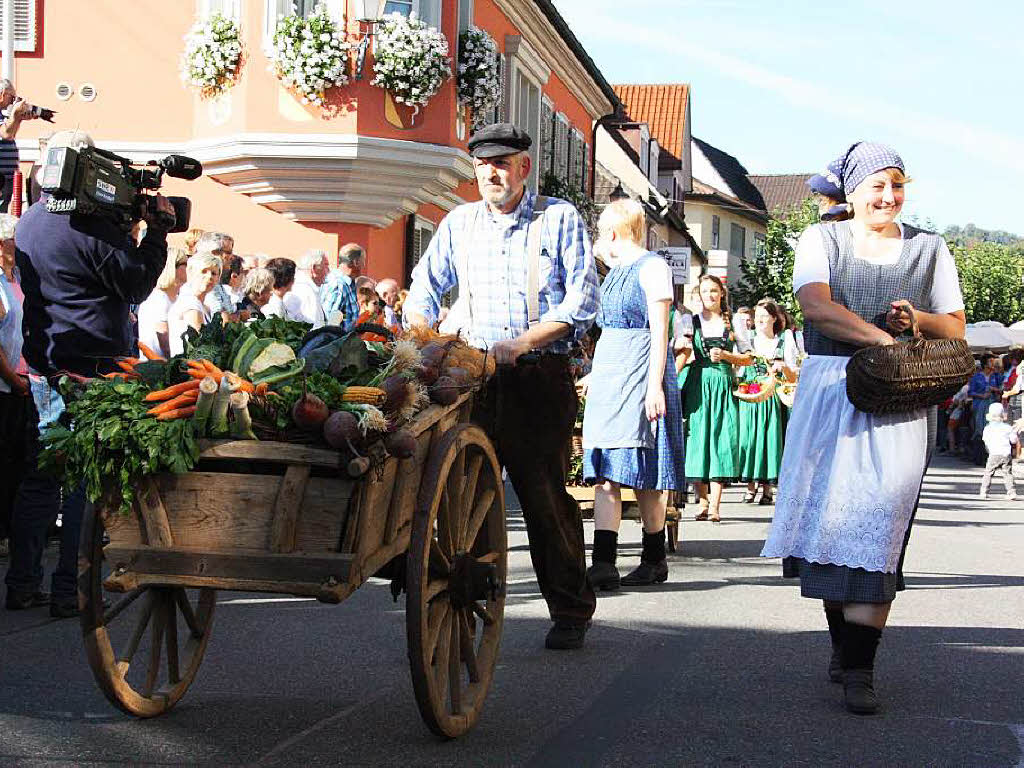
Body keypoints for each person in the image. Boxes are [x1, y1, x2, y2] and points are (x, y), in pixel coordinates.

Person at [761, 142, 966, 715]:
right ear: (851, 193)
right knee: (830, 526)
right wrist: (885, 343)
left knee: (878, 526)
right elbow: (817, 309)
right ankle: (844, 644)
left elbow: (953, 326)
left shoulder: (930, 248)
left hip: (901, 405)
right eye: (876, 185)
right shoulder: (819, 239)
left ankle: (859, 668)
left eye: (896, 184)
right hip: (832, 391)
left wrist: (915, 321)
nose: (887, 196)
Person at [405, 123, 600, 650]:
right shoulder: (458, 223)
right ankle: (466, 578)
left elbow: (581, 302)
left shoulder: (557, 219)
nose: (493, 172)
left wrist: (522, 342)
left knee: (542, 495)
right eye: (484, 164)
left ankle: (570, 608)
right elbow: (424, 289)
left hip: (537, 377)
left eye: (504, 162)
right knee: (461, 489)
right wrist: (420, 337)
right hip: (469, 378)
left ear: (523, 168)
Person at [7, 129, 173, 617]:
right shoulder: (89, 228)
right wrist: (155, 233)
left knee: (40, 479)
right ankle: (70, 592)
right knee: (84, 482)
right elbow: (137, 284)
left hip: (44, 366)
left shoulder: (30, 223)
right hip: (95, 369)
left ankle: (21, 584)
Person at [580, 199, 685, 590]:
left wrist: (654, 385)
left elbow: (661, 330)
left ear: (611, 232)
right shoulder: (616, 269)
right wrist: (596, 372)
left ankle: (654, 558)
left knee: (644, 473)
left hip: (641, 370)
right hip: (611, 373)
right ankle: (603, 562)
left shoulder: (652, 266)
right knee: (605, 470)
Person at [678, 274, 751, 522]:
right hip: (699, 383)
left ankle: (715, 506)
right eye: (705, 291)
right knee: (698, 438)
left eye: (713, 291)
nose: (709, 296)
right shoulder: (691, 320)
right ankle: (702, 501)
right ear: (699, 295)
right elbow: (683, 349)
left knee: (721, 438)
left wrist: (727, 357)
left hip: (722, 383)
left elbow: (749, 358)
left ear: (722, 293)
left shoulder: (735, 323)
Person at [738, 299, 798, 505]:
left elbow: (793, 373)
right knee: (751, 439)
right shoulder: (748, 340)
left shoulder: (785, 339)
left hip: (773, 396)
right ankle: (750, 485)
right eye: (757, 316)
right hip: (752, 396)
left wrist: (783, 367)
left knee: (770, 441)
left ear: (774, 318)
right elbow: (739, 367)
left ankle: (767, 488)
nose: (760, 320)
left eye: (764, 316)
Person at [0, 213, 27, 560]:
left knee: (17, 462)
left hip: (21, 383)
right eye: (15, 242)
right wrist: (12, 379)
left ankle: (10, 526)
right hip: (6, 386)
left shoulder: (17, 280)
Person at [0, 79, 44, 212]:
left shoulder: (2, 116)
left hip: (7, 176)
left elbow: (10, 134)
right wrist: (15, 115)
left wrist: (18, 118)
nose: (13, 101)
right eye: (12, 97)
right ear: (2, 94)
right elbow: (6, 134)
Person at [137, 247, 187, 359]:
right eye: (185, 263)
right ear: (172, 267)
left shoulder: (177, 297)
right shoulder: (159, 298)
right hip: (160, 367)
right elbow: (165, 341)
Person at [168, 253, 220, 355]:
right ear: (191, 273)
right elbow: (201, 346)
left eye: (214, 273)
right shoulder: (190, 304)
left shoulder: (204, 307)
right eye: (203, 271)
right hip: (187, 367)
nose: (209, 277)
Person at [195, 232, 236, 323]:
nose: (232, 257)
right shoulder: (203, 283)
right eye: (228, 252)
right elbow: (222, 321)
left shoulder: (217, 283)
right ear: (214, 253)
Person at [980, 403, 1018, 500]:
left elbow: (985, 440)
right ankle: (1011, 492)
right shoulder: (1007, 427)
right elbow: (1014, 440)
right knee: (1007, 473)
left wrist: (988, 448)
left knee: (988, 472)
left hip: (994, 453)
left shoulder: (988, 428)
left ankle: (984, 491)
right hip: (1006, 453)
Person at [321, 243, 364, 330]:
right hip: (337, 341)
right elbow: (329, 323)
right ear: (356, 262)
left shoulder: (347, 283)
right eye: (363, 260)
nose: (364, 265)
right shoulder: (339, 285)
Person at [286, 248, 328, 328]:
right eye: (326, 266)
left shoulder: (304, 286)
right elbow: (314, 327)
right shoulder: (305, 290)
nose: (328, 271)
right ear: (314, 268)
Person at [968, 354, 1002, 440]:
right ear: (985, 365)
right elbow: (970, 392)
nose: (993, 363)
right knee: (979, 427)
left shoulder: (996, 376)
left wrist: (994, 389)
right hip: (979, 405)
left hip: (991, 405)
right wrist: (981, 395)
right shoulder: (976, 377)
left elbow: (1002, 389)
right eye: (991, 361)